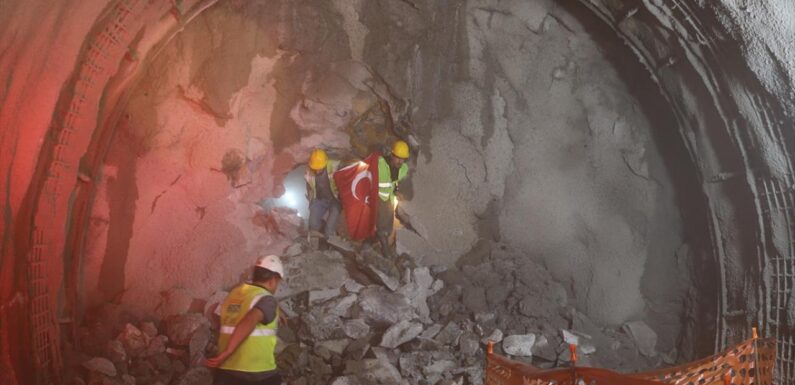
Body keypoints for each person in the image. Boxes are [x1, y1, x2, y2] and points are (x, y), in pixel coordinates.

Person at [205, 255, 285, 385]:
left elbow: (223, 315)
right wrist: (229, 351)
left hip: (226, 370)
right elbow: (250, 319)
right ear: (273, 280)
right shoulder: (266, 300)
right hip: (256, 372)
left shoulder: (235, 294)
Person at [376, 140, 410, 258]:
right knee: (382, 224)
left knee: (388, 225)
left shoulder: (403, 168)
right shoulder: (380, 164)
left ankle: (380, 239)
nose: (400, 161)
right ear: (392, 155)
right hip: (376, 198)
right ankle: (385, 249)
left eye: (403, 159)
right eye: (398, 158)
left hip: (389, 199)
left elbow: (394, 182)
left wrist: (397, 191)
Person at [305, 148, 342, 243]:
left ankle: (332, 246)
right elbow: (309, 186)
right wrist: (311, 200)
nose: (317, 170)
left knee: (330, 227)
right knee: (313, 224)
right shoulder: (308, 172)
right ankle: (314, 247)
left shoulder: (335, 166)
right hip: (320, 199)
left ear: (325, 163)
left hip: (334, 199)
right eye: (315, 168)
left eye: (320, 167)